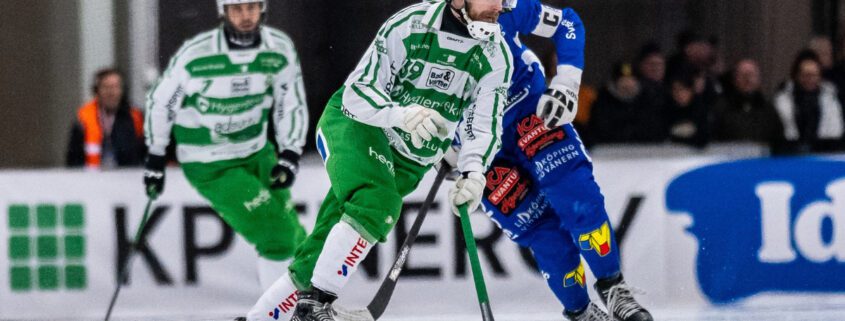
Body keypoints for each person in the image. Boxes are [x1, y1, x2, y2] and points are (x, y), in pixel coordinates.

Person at [245, 0, 513, 320]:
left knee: (318, 255)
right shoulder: (411, 24)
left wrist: (474, 173)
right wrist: (402, 115)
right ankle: (314, 306)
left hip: (409, 162)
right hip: (359, 125)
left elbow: (483, 125)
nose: (500, 5)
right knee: (378, 202)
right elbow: (358, 92)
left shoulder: (497, 56)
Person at [469, 1, 653, 320]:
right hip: (480, 146)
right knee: (544, 235)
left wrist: (566, 83)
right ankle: (581, 313)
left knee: (579, 198)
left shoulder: (506, 7)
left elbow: (567, 23)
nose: (494, 7)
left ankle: (613, 288)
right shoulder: (423, 34)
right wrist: (443, 155)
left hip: (531, 114)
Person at [143, 0, 309, 293]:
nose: (245, 16)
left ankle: (305, 306)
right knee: (277, 236)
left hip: (258, 151)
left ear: (262, 8)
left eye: (251, 7)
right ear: (224, 12)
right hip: (212, 163)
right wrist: (156, 155)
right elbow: (161, 103)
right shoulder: (197, 54)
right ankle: (277, 314)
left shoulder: (278, 49)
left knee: (296, 237)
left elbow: (290, 102)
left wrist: (290, 152)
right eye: (237, 8)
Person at [66, 68, 145, 169]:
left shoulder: (135, 118)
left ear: (122, 90)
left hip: (126, 179)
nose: (111, 93)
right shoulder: (82, 121)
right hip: (91, 180)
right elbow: (73, 162)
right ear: (96, 91)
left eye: (116, 87)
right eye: (106, 87)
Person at [772, 50, 845, 154]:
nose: (810, 79)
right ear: (797, 76)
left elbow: (835, 131)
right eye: (806, 75)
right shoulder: (783, 98)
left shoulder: (831, 98)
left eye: (814, 75)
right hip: (790, 153)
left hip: (823, 152)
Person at [589, 62, 668, 144]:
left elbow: (655, 128)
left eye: (631, 79)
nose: (627, 83)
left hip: (644, 149)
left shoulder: (648, 99)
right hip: (610, 149)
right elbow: (599, 130)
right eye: (623, 80)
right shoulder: (604, 100)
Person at [711, 59, 783, 143]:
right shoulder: (721, 108)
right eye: (743, 75)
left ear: (759, 79)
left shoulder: (768, 109)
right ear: (734, 79)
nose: (747, 79)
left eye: (751, 75)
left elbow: (779, 139)